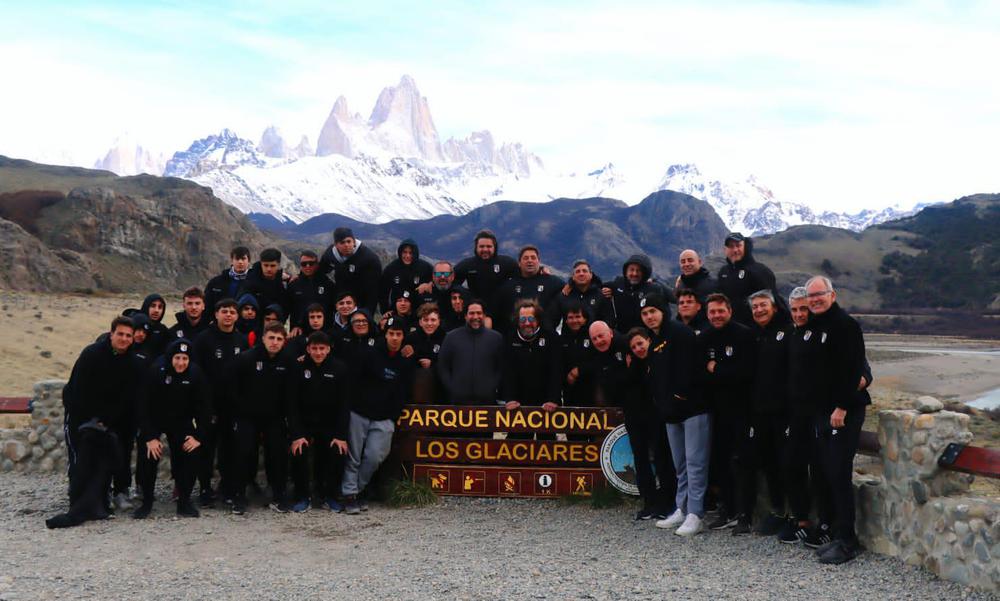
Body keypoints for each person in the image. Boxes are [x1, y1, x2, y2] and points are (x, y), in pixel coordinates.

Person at [794, 276, 871, 565]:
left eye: (819, 295)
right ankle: (838, 534)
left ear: (832, 295)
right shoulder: (814, 327)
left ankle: (848, 541)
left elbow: (853, 371)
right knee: (827, 473)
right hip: (822, 413)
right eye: (811, 296)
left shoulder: (846, 326)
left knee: (839, 473)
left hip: (843, 412)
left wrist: (841, 407)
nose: (814, 300)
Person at [47, 316, 142, 529]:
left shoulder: (133, 363)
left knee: (103, 462)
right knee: (80, 459)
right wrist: (91, 419)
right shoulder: (92, 355)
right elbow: (79, 391)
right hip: (80, 416)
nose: (124, 339)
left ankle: (98, 504)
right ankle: (77, 502)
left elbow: (127, 399)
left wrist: (106, 422)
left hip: (108, 422)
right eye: (120, 334)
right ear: (112, 334)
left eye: (128, 335)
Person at [342, 319, 415, 514]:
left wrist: (393, 416)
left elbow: (404, 392)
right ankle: (349, 495)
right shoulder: (369, 352)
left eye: (399, 334)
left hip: (384, 417)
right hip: (359, 412)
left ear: (403, 337)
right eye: (391, 333)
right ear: (385, 334)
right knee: (353, 456)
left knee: (375, 456)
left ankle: (356, 489)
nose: (394, 338)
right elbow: (353, 381)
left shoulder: (405, 361)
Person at [132, 339, 210, 519]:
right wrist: (150, 437)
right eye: (177, 358)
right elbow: (143, 406)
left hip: (181, 421)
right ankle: (147, 502)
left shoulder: (196, 374)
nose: (181, 363)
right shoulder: (156, 371)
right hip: (155, 419)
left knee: (191, 452)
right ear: (170, 358)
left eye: (185, 358)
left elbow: (204, 408)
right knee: (148, 454)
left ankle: (184, 502)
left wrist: (197, 436)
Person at [699, 292, 756, 532]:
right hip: (717, 410)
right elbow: (701, 373)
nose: (716, 315)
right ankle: (727, 509)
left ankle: (745, 514)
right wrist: (719, 372)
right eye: (712, 311)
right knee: (720, 461)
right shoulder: (705, 337)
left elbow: (745, 373)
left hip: (743, 409)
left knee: (742, 462)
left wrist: (718, 369)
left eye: (720, 310)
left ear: (729, 311)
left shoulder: (744, 334)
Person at [737, 289, 793, 536]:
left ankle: (795, 516)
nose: (759, 310)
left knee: (788, 464)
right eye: (755, 307)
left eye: (763, 306)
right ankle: (778, 510)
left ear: (774, 307)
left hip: (785, 412)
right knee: (768, 464)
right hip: (758, 412)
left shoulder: (788, 332)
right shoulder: (752, 337)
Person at [228, 323, 292, 514]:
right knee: (243, 453)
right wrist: (239, 413)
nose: (274, 342)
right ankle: (238, 496)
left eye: (279, 339)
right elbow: (232, 388)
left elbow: (291, 394)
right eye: (271, 338)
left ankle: (279, 495)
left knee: (277, 454)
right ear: (263, 338)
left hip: (275, 418)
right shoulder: (246, 359)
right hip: (248, 416)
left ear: (284, 342)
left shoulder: (288, 362)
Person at [191, 298, 249, 506]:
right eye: (224, 311)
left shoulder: (241, 341)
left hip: (233, 406)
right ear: (216, 314)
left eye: (232, 312)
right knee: (206, 448)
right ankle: (205, 488)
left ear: (237, 316)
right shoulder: (203, 339)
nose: (228, 315)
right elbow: (196, 373)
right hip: (209, 405)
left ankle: (227, 488)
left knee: (230, 449)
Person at [286, 331, 351, 513]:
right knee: (299, 450)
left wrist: (340, 435)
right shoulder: (298, 367)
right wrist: (296, 434)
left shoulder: (340, 368)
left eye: (322, 348)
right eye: (314, 348)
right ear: (308, 349)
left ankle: (328, 495)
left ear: (329, 349)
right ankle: (302, 496)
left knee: (337, 451)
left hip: (329, 423)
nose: (318, 352)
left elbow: (344, 405)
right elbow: (292, 405)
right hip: (305, 423)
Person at [622, 326, 677, 524]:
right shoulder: (632, 365)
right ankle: (649, 502)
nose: (638, 348)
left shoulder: (658, 360)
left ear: (648, 341)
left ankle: (667, 502)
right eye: (634, 346)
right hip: (635, 417)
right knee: (641, 459)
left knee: (663, 458)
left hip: (657, 416)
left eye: (640, 343)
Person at [500, 300, 562, 438]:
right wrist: (509, 398)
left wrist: (553, 399)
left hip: (546, 403)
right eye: (523, 319)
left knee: (547, 447)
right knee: (517, 447)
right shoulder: (509, 338)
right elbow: (507, 372)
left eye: (531, 318)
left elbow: (556, 371)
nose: (527, 323)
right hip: (518, 404)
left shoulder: (551, 337)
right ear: (517, 320)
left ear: (538, 319)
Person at [437, 300, 504, 405]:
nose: (475, 317)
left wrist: (492, 387)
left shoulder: (496, 338)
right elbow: (443, 367)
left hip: (487, 402)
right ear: (465, 316)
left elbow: (501, 367)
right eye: (471, 313)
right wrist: (453, 388)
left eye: (479, 313)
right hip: (458, 402)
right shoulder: (451, 337)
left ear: (484, 315)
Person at [492, 245, 564, 334]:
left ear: (539, 261)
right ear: (519, 263)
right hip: (514, 338)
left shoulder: (552, 282)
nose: (529, 261)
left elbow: (570, 290)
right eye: (526, 258)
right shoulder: (508, 286)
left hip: (544, 337)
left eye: (533, 258)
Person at [716, 232, 783, 327]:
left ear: (745, 247)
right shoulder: (723, 272)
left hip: (756, 328)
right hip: (731, 328)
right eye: (731, 246)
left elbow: (773, 301)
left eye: (738, 246)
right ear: (725, 250)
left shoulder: (760, 271)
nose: (735, 250)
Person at [453, 229, 518, 318]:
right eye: (481, 246)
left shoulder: (506, 263)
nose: (485, 249)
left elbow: (524, 274)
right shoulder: (468, 264)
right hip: (476, 314)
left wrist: (541, 269)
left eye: (489, 246)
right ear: (476, 247)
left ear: (494, 248)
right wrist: (465, 295)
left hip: (502, 313)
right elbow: (450, 280)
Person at [318, 227, 383, 315]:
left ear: (354, 242)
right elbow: (320, 270)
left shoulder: (369, 258)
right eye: (342, 242)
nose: (346, 245)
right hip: (341, 301)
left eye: (349, 241)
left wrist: (368, 313)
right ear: (336, 245)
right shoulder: (330, 254)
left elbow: (374, 290)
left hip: (361, 301)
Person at [603, 254, 671, 334]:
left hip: (647, 337)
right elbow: (596, 286)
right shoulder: (618, 283)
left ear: (645, 273)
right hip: (622, 335)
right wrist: (604, 291)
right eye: (631, 270)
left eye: (638, 271)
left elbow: (666, 313)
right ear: (626, 271)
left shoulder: (654, 289)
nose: (634, 274)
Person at [404, 303, 447, 403]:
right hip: (414, 385)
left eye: (433, 320)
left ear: (439, 321)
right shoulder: (410, 338)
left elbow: (449, 364)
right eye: (426, 320)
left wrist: (432, 364)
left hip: (439, 386)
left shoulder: (446, 339)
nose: (429, 323)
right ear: (420, 322)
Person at [286, 250, 334, 337]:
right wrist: (295, 326)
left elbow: (333, 308)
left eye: (311, 263)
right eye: (304, 264)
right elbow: (288, 308)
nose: (307, 266)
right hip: (300, 332)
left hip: (325, 332)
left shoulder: (328, 284)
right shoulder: (293, 285)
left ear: (317, 264)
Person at [558, 302, 596, 408]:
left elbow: (598, 360)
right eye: (570, 317)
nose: (574, 320)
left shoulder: (593, 336)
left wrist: (579, 370)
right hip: (569, 391)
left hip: (591, 390)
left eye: (578, 317)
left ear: (585, 319)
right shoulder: (560, 340)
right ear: (565, 320)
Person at [379, 238, 433, 313]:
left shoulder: (425, 267)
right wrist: (385, 312)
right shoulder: (391, 268)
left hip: (420, 311)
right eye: (405, 252)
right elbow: (383, 293)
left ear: (415, 253)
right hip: (397, 311)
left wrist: (430, 284)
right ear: (400, 252)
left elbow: (438, 280)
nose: (407, 256)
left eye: (411, 253)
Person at [552, 260, 610, 327]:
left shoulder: (601, 295)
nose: (581, 274)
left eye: (584, 271)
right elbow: (551, 319)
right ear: (573, 277)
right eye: (577, 271)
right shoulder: (564, 295)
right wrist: (555, 337)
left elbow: (609, 319)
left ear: (591, 275)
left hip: (594, 336)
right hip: (569, 337)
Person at [204, 246, 252, 319]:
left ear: (248, 261)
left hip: (245, 326)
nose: (240, 262)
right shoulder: (216, 282)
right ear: (232, 261)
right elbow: (207, 306)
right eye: (237, 259)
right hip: (219, 325)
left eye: (243, 259)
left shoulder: (254, 282)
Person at [241, 248, 288, 317]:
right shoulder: (250, 281)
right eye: (266, 265)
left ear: (278, 265)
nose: (269, 269)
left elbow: (285, 306)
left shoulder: (282, 282)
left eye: (272, 266)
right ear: (261, 264)